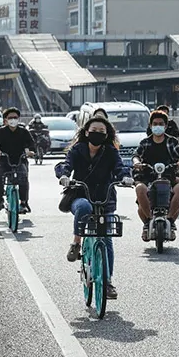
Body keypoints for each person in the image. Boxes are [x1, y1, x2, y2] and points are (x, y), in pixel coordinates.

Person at [55, 116, 133, 299]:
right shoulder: (77, 150)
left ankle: (108, 282)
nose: (97, 134)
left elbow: (120, 168)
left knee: (106, 239)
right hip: (81, 194)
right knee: (83, 207)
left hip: (105, 198)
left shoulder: (111, 152)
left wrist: (126, 177)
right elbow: (66, 165)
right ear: (86, 132)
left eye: (101, 132)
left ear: (107, 135)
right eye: (94, 131)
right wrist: (64, 176)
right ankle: (76, 243)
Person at [133, 110, 179, 241]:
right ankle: (148, 223)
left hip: (169, 175)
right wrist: (137, 163)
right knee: (140, 189)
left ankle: (170, 221)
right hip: (148, 177)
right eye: (155, 123)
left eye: (161, 124)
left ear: (166, 125)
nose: (158, 126)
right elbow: (136, 156)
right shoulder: (145, 142)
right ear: (150, 126)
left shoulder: (172, 142)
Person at [0, 108, 34, 214]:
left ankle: (23, 202)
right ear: (6, 119)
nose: (13, 120)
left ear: (18, 119)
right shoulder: (0, 131)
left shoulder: (24, 132)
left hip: (20, 160)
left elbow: (32, 144)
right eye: (10, 118)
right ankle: (0, 198)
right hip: (4, 160)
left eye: (15, 118)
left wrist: (31, 151)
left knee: (23, 178)